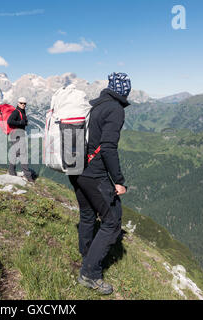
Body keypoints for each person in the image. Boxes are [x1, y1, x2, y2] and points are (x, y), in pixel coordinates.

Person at [69, 72, 131, 295]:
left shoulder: (94, 104)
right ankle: (90, 274)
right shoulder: (115, 109)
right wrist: (119, 181)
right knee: (112, 222)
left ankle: (86, 255)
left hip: (75, 168)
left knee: (87, 214)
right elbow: (107, 147)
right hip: (93, 173)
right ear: (125, 91)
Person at [7, 97, 35, 183]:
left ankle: (11, 172)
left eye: (24, 103)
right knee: (23, 155)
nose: (23, 105)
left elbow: (24, 121)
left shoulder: (23, 111)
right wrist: (20, 123)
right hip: (16, 135)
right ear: (18, 103)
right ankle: (27, 176)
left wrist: (25, 122)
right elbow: (9, 121)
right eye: (21, 103)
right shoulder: (16, 112)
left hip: (20, 134)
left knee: (16, 154)